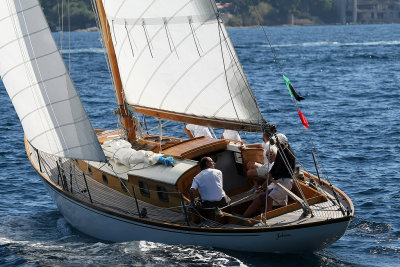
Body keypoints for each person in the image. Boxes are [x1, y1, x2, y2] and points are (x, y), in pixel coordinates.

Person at [243, 133, 296, 218]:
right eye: (278, 145)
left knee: (269, 198)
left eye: (280, 145)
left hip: (285, 183)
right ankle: (244, 218)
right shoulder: (283, 151)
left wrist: (262, 187)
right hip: (278, 183)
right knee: (259, 199)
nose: (279, 147)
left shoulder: (286, 155)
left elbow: (272, 175)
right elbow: (272, 173)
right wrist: (262, 188)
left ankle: (267, 218)